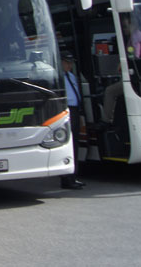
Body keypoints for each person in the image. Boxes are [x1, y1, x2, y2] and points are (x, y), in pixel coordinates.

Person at [61, 53, 86, 190]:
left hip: (75, 110)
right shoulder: (59, 77)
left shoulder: (71, 76)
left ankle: (73, 176)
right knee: (68, 143)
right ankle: (66, 178)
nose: (69, 66)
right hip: (67, 109)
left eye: (71, 63)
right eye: (67, 63)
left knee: (75, 143)